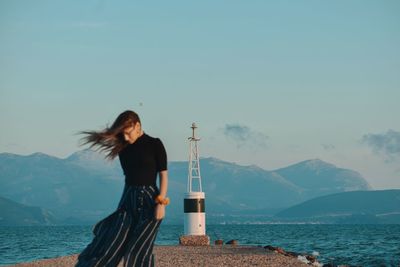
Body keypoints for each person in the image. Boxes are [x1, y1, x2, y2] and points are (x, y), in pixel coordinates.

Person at [75, 110, 169, 267]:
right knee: (112, 243)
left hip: (150, 201)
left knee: (138, 250)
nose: (125, 137)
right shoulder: (123, 148)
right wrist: (121, 207)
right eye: (122, 134)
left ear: (137, 125)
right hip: (128, 198)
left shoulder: (155, 144)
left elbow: (163, 175)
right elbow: (129, 180)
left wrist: (161, 203)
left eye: (127, 133)